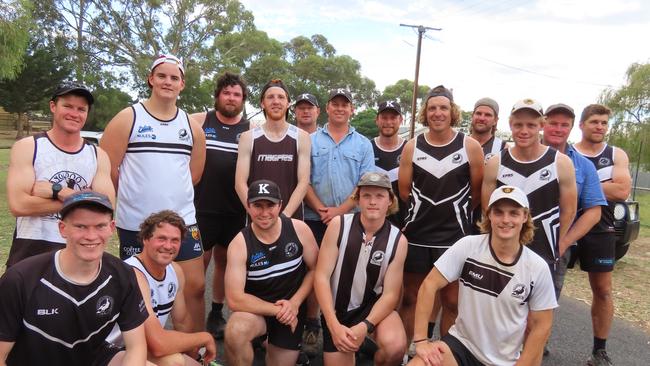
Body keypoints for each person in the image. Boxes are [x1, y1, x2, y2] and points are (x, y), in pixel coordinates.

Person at [100, 54, 207, 332]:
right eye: (162, 76)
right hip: (137, 223)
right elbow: (108, 169)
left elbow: (193, 175)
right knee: (138, 292)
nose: (167, 82)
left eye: (174, 77)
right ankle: (142, 350)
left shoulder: (192, 127)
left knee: (195, 287)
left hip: (182, 221)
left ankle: (194, 350)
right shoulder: (128, 118)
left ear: (182, 84)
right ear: (150, 79)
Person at [408, 186, 557, 366]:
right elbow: (429, 285)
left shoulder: (537, 267)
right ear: (489, 215)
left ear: (525, 217)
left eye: (514, 213)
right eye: (499, 212)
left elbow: (542, 326)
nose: (505, 220)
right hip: (461, 346)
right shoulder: (468, 246)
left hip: (505, 360)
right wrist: (421, 341)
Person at [0, 191, 148, 366]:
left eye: (100, 226)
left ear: (112, 227)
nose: (91, 236)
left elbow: (136, 347)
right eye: (81, 226)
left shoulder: (122, 273)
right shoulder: (21, 279)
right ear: (63, 229)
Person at [398, 85, 484, 341]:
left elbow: (477, 193)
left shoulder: (470, 146)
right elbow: (405, 192)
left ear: (452, 112)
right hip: (417, 235)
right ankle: (409, 351)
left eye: (443, 108)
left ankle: (447, 354)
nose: (438, 113)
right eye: (432, 108)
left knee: (452, 301)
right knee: (411, 296)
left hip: (454, 238)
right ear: (426, 112)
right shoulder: (412, 147)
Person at [5, 82, 114, 268]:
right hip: (31, 247)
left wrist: (56, 190)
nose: (74, 113)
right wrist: (80, 198)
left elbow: (105, 208)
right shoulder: (29, 147)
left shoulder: (98, 155)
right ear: (53, 106)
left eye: (81, 109)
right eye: (68, 106)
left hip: (79, 248)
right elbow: (19, 205)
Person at [314, 172, 408, 366]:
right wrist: (333, 325)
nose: (373, 202)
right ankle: (354, 342)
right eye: (366, 195)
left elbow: (390, 295)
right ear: (357, 199)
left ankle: (369, 348)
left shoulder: (398, 240)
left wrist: (365, 326)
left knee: (395, 347)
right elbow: (321, 277)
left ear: (390, 201)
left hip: (371, 308)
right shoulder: (338, 225)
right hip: (338, 311)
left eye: (379, 196)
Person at [224, 180, 318, 365]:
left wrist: (295, 303)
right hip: (257, 312)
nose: (265, 213)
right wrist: (279, 311)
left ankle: (269, 343)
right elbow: (234, 299)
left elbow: (316, 270)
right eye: (258, 206)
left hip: (291, 310)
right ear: (248, 206)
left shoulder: (299, 229)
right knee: (235, 331)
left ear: (280, 205)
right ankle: (260, 341)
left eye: (270, 205)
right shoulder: (239, 244)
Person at [106, 210, 217, 365]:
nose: (168, 246)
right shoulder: (133, 273)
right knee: (175, 362)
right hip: (111, 351)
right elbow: (158, 344)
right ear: (145, 239)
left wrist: (195, 353)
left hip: (143, 347)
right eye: (161, 239)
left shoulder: (175, 271)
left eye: (175, 240)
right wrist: (205, 337)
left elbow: (182, 322)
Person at [482, 99, 577, 274]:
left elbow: (569, 211)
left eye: (531, 125)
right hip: (503, 253)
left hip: (544, 254)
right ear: (510, 125)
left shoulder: (561, 163)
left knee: (542, 302)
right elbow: (487, 209)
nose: (524, 131)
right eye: (518, 125)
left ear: (541, 125)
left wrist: (556, 243)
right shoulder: (496, 163)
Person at [191, 72, 250, 339]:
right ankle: (191, 317)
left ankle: (216, 313)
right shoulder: (200, 121)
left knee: (224, 263)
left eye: (236, 94)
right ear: (217, 96)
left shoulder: (250, 131)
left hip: (235, 210)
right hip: (201, 208)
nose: (231, 98)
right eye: (226, 93)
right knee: (196, 267)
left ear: (243, 100)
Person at [573, 104, 632, 366]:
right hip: (568, 226)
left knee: (603, 290)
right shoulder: (567, 152)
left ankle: (599, 350)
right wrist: (601, 185)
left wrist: (578, 183)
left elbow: (622, 191)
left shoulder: (616, 154)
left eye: (604, 123)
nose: (599, 127)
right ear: (582, 125)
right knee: (549, 287)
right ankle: (540, 341)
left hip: (601, 229)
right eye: (594, 121)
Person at [541, 103, 606, 298]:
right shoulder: (519, 156)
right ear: (543, 124)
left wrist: (564, 242)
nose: (558, 129)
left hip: (555, 247)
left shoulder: (583, 166)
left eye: (564, 125)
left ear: (572, 127)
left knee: (543, 306)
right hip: (515, 243)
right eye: (553, 123)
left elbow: (594, 211)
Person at [304, 88, 375, 243]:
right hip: (315, 220)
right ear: (327, 108)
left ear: (352, 110)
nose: (340, 108)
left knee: (348, 266)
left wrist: (340, 211)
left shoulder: (364, 144)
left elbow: (365, 183)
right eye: (335, 104)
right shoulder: (308, 140)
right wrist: (323, 211)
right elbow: (303, 181)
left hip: (352, 219)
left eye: (345, 105)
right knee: (315, 266)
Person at [235, 79, 311, 219]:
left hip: (291, 219)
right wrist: (256, 213)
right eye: (270, 97)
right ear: (262, 103)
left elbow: (303, 182)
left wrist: (284, 216)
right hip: (258, 220)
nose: (276, 101)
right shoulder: (248, 138)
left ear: (288, 104)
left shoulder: (302, 137)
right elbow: (240, 183)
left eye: (281, 97)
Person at [372, 100, 407, 228]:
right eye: (384, 117)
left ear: (401, 120)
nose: (388, 122)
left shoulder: (410, 148)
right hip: (372, 223)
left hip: (403, 225)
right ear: (377, 120)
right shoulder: (366, 148)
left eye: (393, 118)